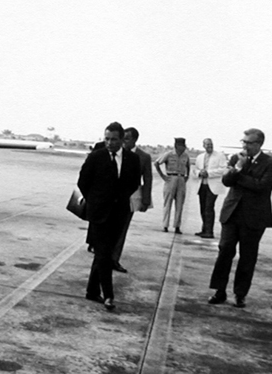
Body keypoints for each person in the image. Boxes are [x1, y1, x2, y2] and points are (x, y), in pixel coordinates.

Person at [208, 128, 272, 308]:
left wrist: (238, 175)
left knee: (247, 257)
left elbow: (262, 186)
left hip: (254, 217)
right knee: (224, 251)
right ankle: (219, 290)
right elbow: (226, 181)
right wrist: (239, 167)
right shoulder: (236, 159)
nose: (245, 145)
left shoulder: (270, 162)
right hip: (232, 213)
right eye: (244, 142)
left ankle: (240, 294)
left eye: (249, 143)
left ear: (259, 144)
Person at [77, 121, 141, 311]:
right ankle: (109, 295)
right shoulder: (96, 157)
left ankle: (91, 291)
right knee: (104, 254)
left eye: (113, 139)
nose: (109, 143)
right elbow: (83, 182)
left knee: (104, 253)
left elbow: (134, 183)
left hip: (119, 213)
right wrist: (96, 201)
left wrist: (119, 200)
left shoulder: (132, 159)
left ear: (122, 140)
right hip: (98, 214)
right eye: (106, 139)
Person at [110, 127, 152, 273]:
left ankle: (114, 259)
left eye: (126, 138)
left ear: (134, 140)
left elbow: (147, 178)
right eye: (122, 138)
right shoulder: (114, 152)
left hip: (129, 200)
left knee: (122, 230)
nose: (123, 141)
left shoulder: (144, 157)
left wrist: (145, 200)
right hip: (110, 198)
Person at [193, 138, 228, 239]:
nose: (209, 146)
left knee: (209, 207)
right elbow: (196, 170)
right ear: (203, 146)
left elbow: (223, 169)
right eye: (207, 145)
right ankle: (204, 229)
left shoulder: (220, 156)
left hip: (213, 185)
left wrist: (209, 173)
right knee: (203, 208)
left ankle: (209, 231)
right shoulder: (200, 157)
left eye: (211, 144)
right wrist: (200, 173)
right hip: (202, 185)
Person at [155, 137, 190, 234]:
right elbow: (157, 163)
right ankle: (165, 225)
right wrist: (163, 176)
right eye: (181, 146)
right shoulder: (169, 154)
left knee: (180, 204)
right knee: (167, 203)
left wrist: (187, 177)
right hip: (171, 177)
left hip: (181, 178)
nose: (183, 148)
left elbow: (188, 166)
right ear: (176, 146)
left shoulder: (185, 156)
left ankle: (177, 226)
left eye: (184, 146)